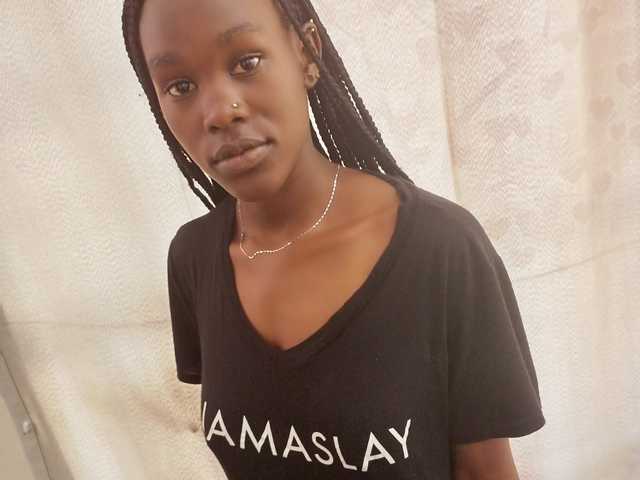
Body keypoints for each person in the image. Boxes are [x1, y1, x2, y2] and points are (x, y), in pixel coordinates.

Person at [122, 0, 546, 478]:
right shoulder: (194, 258)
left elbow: (485, 472)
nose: (220, 112)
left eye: (246, 62)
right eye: (180, 86)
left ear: (306, 52)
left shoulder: (440, 248)